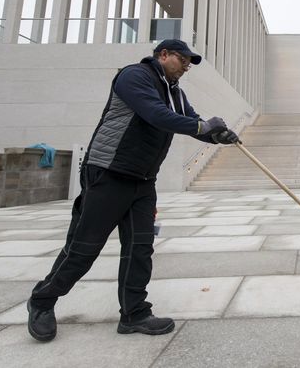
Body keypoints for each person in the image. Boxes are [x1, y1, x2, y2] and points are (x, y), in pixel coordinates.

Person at [27, 39, 239, 342]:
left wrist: (217, 135)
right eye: (183, 59)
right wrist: (204, 128)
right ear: (163, 55)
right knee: (84, 249)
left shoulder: (175, 93)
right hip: (108, 174)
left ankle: (134, 313)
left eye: (190, 63)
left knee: (140, 247)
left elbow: (192, 122)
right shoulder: (135, 76)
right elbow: (155, 114)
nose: (187, 66)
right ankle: (42, 301)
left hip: (142, 180)